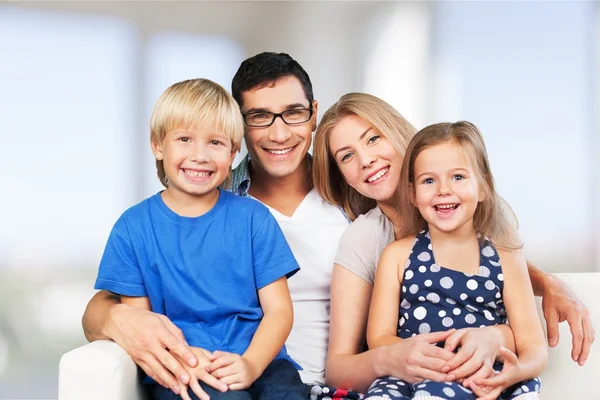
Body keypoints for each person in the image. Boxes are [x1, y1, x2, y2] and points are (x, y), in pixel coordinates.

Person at [82, 54, 593, 399]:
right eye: (259, 117)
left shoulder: (353, 198)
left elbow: (453, 238)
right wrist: (113, 319)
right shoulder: (213, 197)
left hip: (329, 382)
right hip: (247, 374)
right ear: (237, 128)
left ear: (312, 115)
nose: (279, 132)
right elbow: (125, 284)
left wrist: (545, 282)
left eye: (292, 114)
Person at [312, 92, 594, 394]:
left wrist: (546, 286)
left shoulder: (480, 212)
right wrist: (392, 357)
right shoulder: (368, 241)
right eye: (346, 156)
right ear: (341, 174)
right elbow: (341, 365)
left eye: (373, 139)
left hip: (481, 371)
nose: (366, 160)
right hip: (411, 376)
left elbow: (507, 284)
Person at [94, 78, 307, 400]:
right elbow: (142, 323)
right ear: (158, 145)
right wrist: (186, 363)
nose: (200, 155)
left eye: (216, 143)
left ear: (234, 152)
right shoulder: (133, 227)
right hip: (184, 364)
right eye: (184, 139)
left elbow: (279, 311)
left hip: (261, 360)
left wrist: (250, 364)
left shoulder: (254, 219)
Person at [364, 121, 547, 400]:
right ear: (413, 195)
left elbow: (534, 347)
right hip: (417, 376)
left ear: (483, 186)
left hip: (484, 375)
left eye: (458, 177)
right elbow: (378, 338)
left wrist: (515, 372)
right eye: (429, 180)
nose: (443, 190)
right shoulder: (398, 256)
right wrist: (427, 359)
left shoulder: (506, 256)